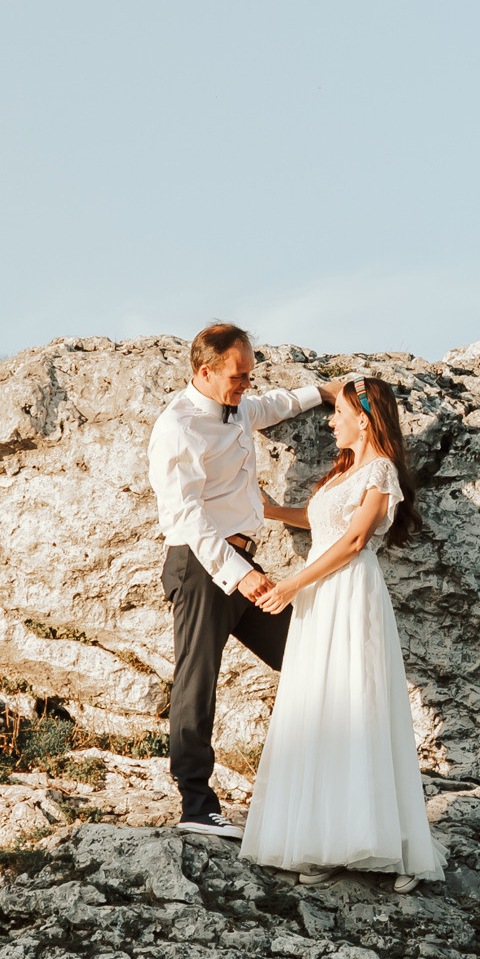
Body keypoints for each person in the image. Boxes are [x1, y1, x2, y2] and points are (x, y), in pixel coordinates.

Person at [240, 373, 439, 882]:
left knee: (358, 703)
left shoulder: (381, 472)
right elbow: (320, 522)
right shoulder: (346, 471)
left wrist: (289, 585)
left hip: (350, 592)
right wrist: (267, 509)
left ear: (365, 419)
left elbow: (352, 542)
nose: (331, 421)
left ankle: (392, 844)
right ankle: (328, 838)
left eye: (339, 413)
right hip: (322, 597)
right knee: (323, 705)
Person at [148, 323, 323, 837]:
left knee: (307, 656)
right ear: (205, 371)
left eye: (249, 374)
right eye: (238, 375)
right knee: (196, 681)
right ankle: (196, 805)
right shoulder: (178, 427)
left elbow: (274, 406)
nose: (247, 383)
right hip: (203, 566)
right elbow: (184, 516)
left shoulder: (241, 405)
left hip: (242, 565)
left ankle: (313, 784)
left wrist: (326, 392)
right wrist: (240, 575)